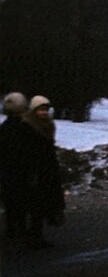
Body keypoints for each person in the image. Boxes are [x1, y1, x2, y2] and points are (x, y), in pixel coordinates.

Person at [22, 96, 65, 249]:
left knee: (41, 206)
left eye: (45, 110)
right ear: (34, 110)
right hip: (34, 172)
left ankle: (35, 235)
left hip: (46, 171)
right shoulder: (28, 126)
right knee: (36, 206)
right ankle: (33, 237)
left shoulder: (47, 125)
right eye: (40, 110)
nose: (43, 113)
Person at [1, 92, 37, 242]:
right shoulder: (26, 128)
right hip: (22, 170)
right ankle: (21, 228)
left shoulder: (3, 128)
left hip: (6, 171)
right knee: (22, 200)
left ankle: (10, 228)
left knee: (10, 200)